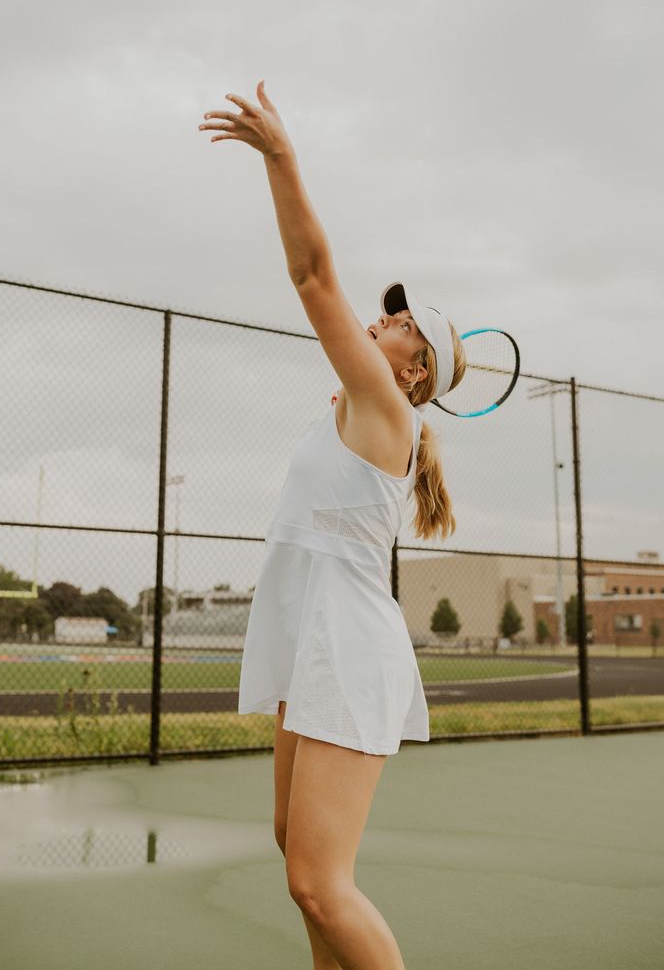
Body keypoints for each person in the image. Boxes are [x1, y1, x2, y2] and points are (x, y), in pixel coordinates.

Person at [199, 81, 466, 970]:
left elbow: (312, 275)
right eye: (390, 310)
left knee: (323, 882)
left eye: (403, 323)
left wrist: (280, 157)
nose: (386, 316)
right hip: (312, 639)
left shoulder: (388, 408)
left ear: (417, 371)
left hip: (349, 652)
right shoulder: (353, 408)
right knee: (297, 859)